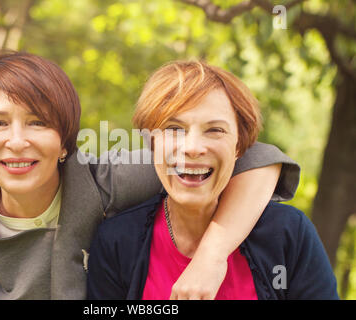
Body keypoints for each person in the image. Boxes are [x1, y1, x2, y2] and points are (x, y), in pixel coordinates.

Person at [0, 52, 300, 299]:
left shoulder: (103, 183)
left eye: (38, 123)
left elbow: (257, 158)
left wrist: (211, 256)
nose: (17, 142)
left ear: (66, 142)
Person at [87, 60, 339, 300]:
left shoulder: (287, 233)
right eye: (174, 129)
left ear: (239, 146)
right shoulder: (117, 242)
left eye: (215, 130)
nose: (193, 148)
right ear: (152, 142)